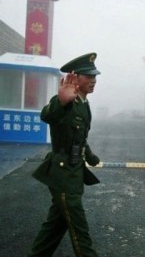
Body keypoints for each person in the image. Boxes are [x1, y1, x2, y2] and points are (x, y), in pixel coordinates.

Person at [28, 53, 102, 257]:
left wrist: (91, 156)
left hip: (75, 172)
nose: (93, 80)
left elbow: (80, 138)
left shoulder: (84, 104)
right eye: (88, 76)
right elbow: (47, 115)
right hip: (63, 174)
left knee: (55, 226)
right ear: (75, 78)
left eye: (95, 76)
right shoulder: (65, 101)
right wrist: (60, 102)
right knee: (79, 229)